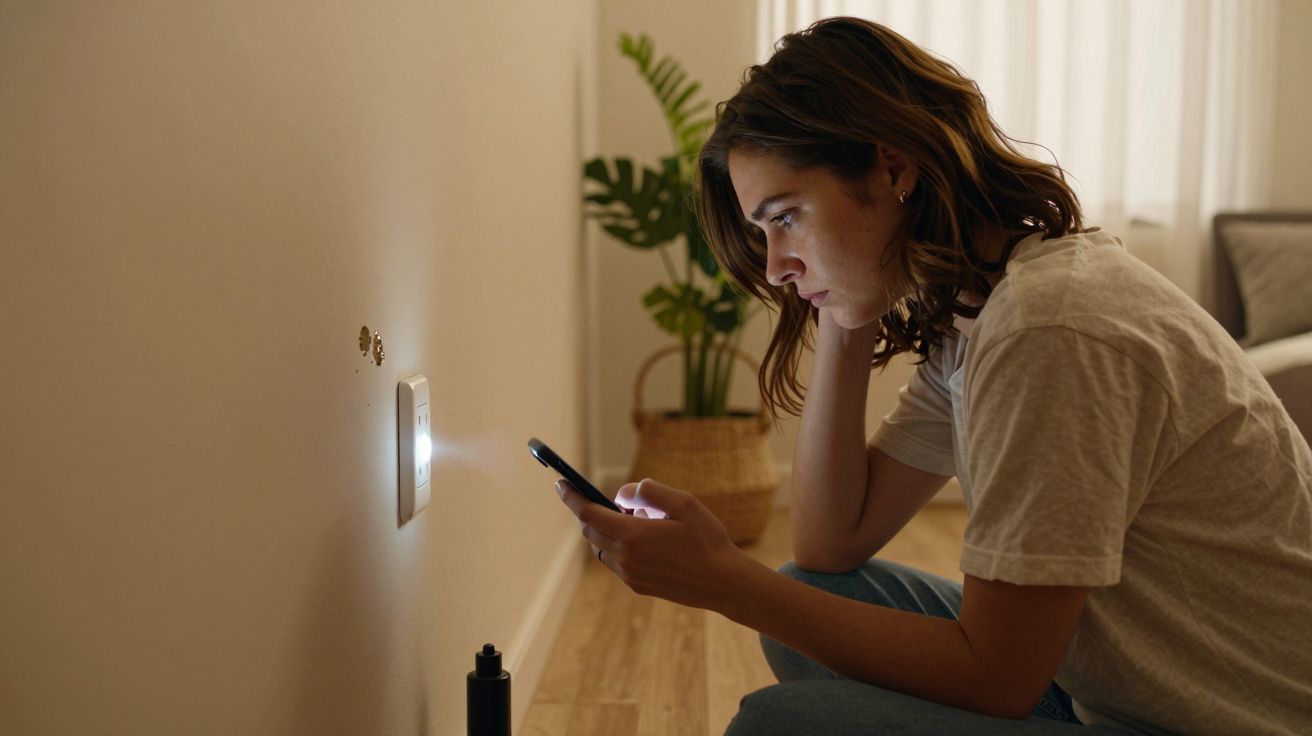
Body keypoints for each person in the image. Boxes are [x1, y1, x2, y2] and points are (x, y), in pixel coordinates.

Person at [554, 16, 1312, 735]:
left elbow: (999, 678)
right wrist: (847, 315)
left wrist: (724, 579)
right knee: (815, 595)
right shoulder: (987, 307)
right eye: (763, 231)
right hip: (1110, 687)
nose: (777, 267)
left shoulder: (1049, 329)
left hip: (1216, 722)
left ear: (891, 166)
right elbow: (830, 545)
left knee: (779, 725)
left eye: (786, 217)